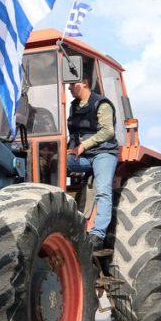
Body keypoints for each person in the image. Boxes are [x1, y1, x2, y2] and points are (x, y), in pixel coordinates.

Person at [61, 73, 119, 254]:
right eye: (68, 85)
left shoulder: (101, 104)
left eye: (72, 84)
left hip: (103, 153)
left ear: (85, 83)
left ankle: (97, 234)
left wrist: (82, 146)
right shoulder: (73, 106)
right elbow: (74, 134)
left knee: (103, 191)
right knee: (57, 163)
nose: (69, 88)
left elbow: (108, 131)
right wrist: (67, 149)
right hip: (83, 155)